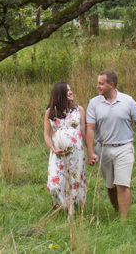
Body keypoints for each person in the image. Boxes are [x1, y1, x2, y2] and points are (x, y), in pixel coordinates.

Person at [85, 70, 136, 220]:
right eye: (98, 83)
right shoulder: (94, 103)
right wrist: (90, 151)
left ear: (111, 84)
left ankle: (124, 220)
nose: (97, 86)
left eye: (101, 83)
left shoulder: (128, 101)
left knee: (123, 185)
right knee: (110, 186)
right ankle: (117, 210)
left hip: (124, 147)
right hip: (103, 149)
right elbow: (90, 128)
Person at [43, 81, 87, 215]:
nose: (71, 92)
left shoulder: (79, 110)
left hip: (76, 153)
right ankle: (60, 202)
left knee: (74, 181)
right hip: (58, 154)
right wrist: (53, 149)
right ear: (60, 94)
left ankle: (71, 209)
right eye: (67, 91)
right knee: (55, 183)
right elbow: (46, 134)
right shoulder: (50, 112)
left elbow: (84, 131)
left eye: (71, 90)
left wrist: (90, 152)